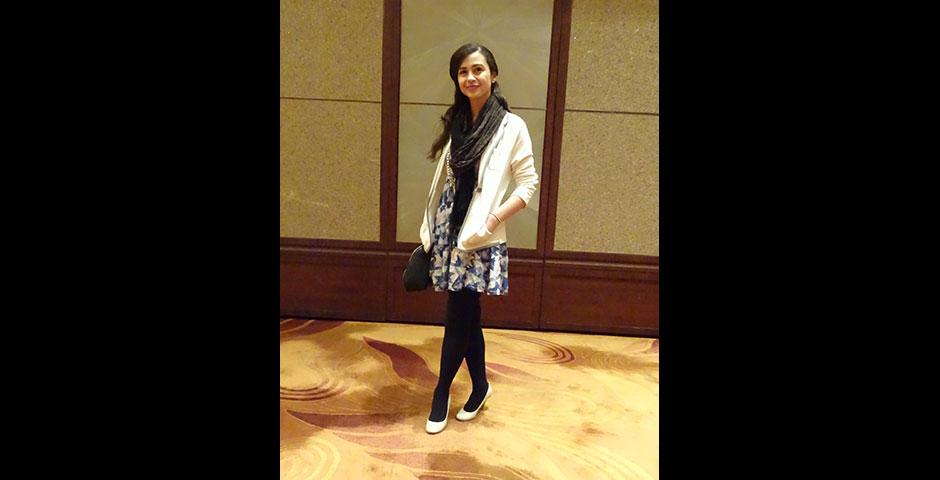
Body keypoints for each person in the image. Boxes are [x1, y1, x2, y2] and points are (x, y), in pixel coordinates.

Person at [418, 43, 539, 434]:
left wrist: (492, 220)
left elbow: (528, 184)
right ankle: (481, 386)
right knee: (468, 315)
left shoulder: (511, 126)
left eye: (478, 70)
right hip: (450, 227)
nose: (470, 77)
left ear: (493, 74)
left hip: (478, 234)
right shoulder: (458, 121)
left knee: (458, 313)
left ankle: (441, 393)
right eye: (463, 72)